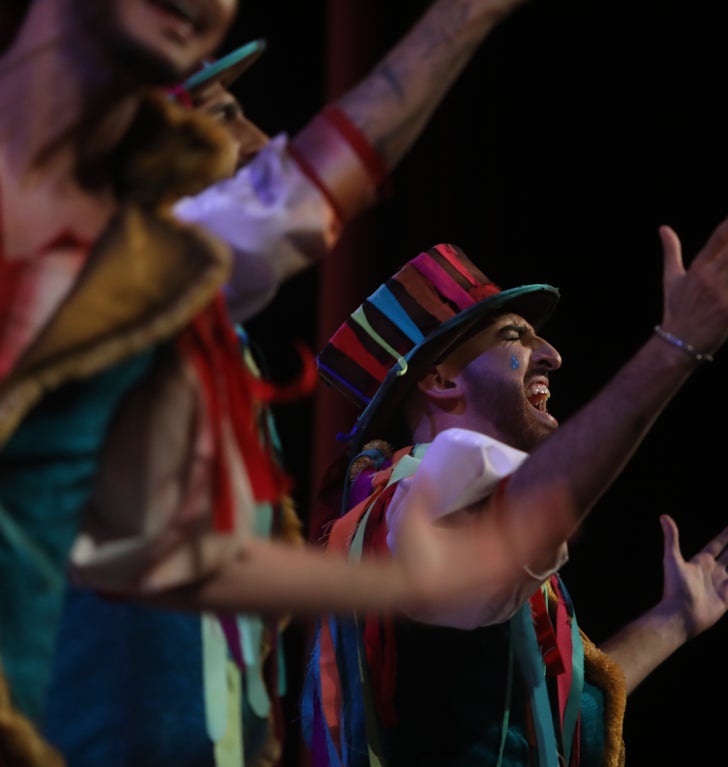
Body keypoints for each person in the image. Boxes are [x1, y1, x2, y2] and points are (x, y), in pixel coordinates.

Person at [0, 1, 565, 765]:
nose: (257, 141)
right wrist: (673, 349)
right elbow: (300, 191)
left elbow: (183, 560)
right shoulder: (62, 275)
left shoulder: (172, 321)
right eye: (223, 115)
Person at [302, 199, 728, 767]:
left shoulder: (434, 507)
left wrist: (673, 619)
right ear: (439, 378)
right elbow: (532, 506)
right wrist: (674, 346)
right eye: (515, 335)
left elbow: (552, 721)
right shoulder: (420, 500)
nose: (552, 356)